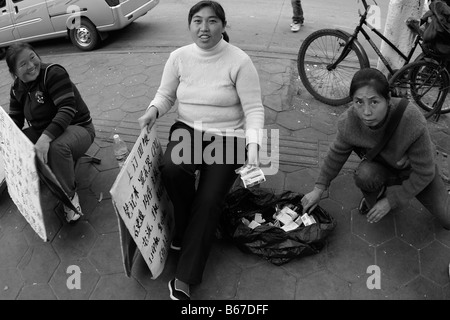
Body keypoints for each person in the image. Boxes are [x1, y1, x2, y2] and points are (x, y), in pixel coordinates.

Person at [138, 0, 264, 300]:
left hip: (227, 137)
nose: (203, 28)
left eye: (211, 21)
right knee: (172, 169)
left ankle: (184, 276)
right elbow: (166, 94)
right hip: (189, 131)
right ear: (190, 25)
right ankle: (187, 226)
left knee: (209, 201)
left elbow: (254, 108)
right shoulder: (179, 57)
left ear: (223, 25)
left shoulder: (240, 61)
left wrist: (254, 145)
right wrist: (153, 111)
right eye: (197, 21)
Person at [301, 68, 450, 231]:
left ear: (388, 99)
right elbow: (335, 155)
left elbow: (425, 172)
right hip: (383, 167)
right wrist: (318, 189)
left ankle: (393, 195)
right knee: (365, 175)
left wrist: (391, 201)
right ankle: (377, 195)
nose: (366, 112)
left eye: (374, 102)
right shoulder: (349, 121)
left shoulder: (412, 119)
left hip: (415, 171)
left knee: (447, 219)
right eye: (359, 102)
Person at [6, 42, 95, 223]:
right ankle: (39, 180)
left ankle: (69, 198)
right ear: (14, 72)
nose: (31, 66)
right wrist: (6, 139)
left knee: (56, 147)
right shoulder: (17, 89)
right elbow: (14, 121)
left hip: (79, 128)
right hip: (44, 132)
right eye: (23, 64)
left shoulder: (53, 73)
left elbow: (67, 108)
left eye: (33, 58)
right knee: (17, 143)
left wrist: (45, 139)